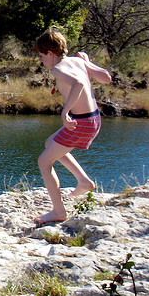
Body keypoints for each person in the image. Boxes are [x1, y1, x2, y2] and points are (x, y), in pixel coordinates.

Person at [34, 27, 112, 225]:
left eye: (42, 56)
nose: (41, 60)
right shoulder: (77, 61)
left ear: (50, 53)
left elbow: (78, 85)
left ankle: (58, 211)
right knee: (50, 142)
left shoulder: (57, 69)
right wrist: (87, 63)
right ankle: (84, 181)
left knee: (44, 162)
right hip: (93, 119)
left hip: (81, 122)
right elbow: (106, 78)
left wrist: (65, 111)